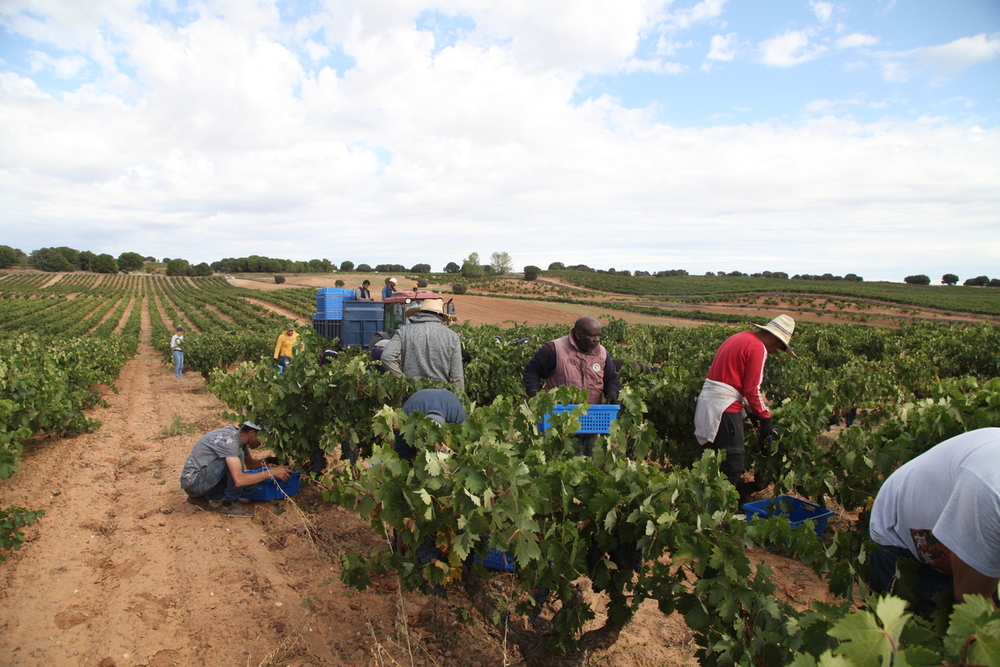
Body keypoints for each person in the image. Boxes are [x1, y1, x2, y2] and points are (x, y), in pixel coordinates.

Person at [869, 428, 1000, 613]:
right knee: (926, 628)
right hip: (900, 536)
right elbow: (973, 598)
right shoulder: (990, 490)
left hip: (968, 526)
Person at [693, 314, 796, 495]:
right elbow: (752, 389)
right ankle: (722, 512)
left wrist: (751, 412)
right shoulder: (758, 347)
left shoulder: (739, 337)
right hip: (724, 407)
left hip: (711, 402)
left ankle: (706, 504)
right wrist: (765, 417)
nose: (774, 351)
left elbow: (734, 382)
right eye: (778, 346)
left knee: (715, 460)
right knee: (732, 464)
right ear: (773, 337)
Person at [522, 316, 620, 456]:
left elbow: (611, 378)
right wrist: (535, 395)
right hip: (560, 424)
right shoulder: (554, 349)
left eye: (599, 336)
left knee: (589, 468)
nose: (597, 340)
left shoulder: (602, 353)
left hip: (591, 422)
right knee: (565, 467)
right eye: (592, 336)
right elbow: (532, 372)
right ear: (578, 335)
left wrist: (612, 393)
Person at [180, 422, 293, 516]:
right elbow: (239, 480)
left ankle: (199, 498)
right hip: (193, 482)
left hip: (200, 482)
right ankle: (229, 505)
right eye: (262, 438)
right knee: (238, 457)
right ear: (252, 433)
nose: (262, 443)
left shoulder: (239, 441)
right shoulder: (230, 441)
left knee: (252, 484)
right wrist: (272, 472)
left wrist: (269, 461)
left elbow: (251, 465)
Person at [381, 300, 465, 390]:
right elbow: (457, 377)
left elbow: (387, 357)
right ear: (441, 316)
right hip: (440, 394)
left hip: (412, 394)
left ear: (419, 312)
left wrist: (404, 381)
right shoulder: (451, 336)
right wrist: (458, 401)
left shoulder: (404, 331)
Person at [393, 388, 466, 463]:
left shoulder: (456, 414)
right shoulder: (406, 416)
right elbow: (402, 453)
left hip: (443, 399)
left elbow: (459, 443)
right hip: (417, 400)